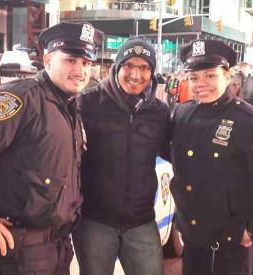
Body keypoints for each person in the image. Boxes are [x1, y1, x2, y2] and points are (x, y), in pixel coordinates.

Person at [0, 21, 102, 275]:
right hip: (20, 253)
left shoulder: (68, 106)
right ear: (47, 59)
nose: (80, 71)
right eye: (71, 60)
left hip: (57, 247)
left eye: (86, 63)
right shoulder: (21, 99)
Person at [171, 39, 253, 275]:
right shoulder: (182, 113)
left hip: (234, 245)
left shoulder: (252, 122)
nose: (200, 84)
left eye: (210, 76)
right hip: (195, 240)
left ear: (227, 75)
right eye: (194, 78)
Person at [72, 36, 171, 275]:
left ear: (152, 72)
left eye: (144, 67)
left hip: (141, 221)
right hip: (94, 221)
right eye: (129, 65)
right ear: (117, 67)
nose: (135, 75)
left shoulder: (159, 112)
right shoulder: (86, 103)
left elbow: (179, 155)